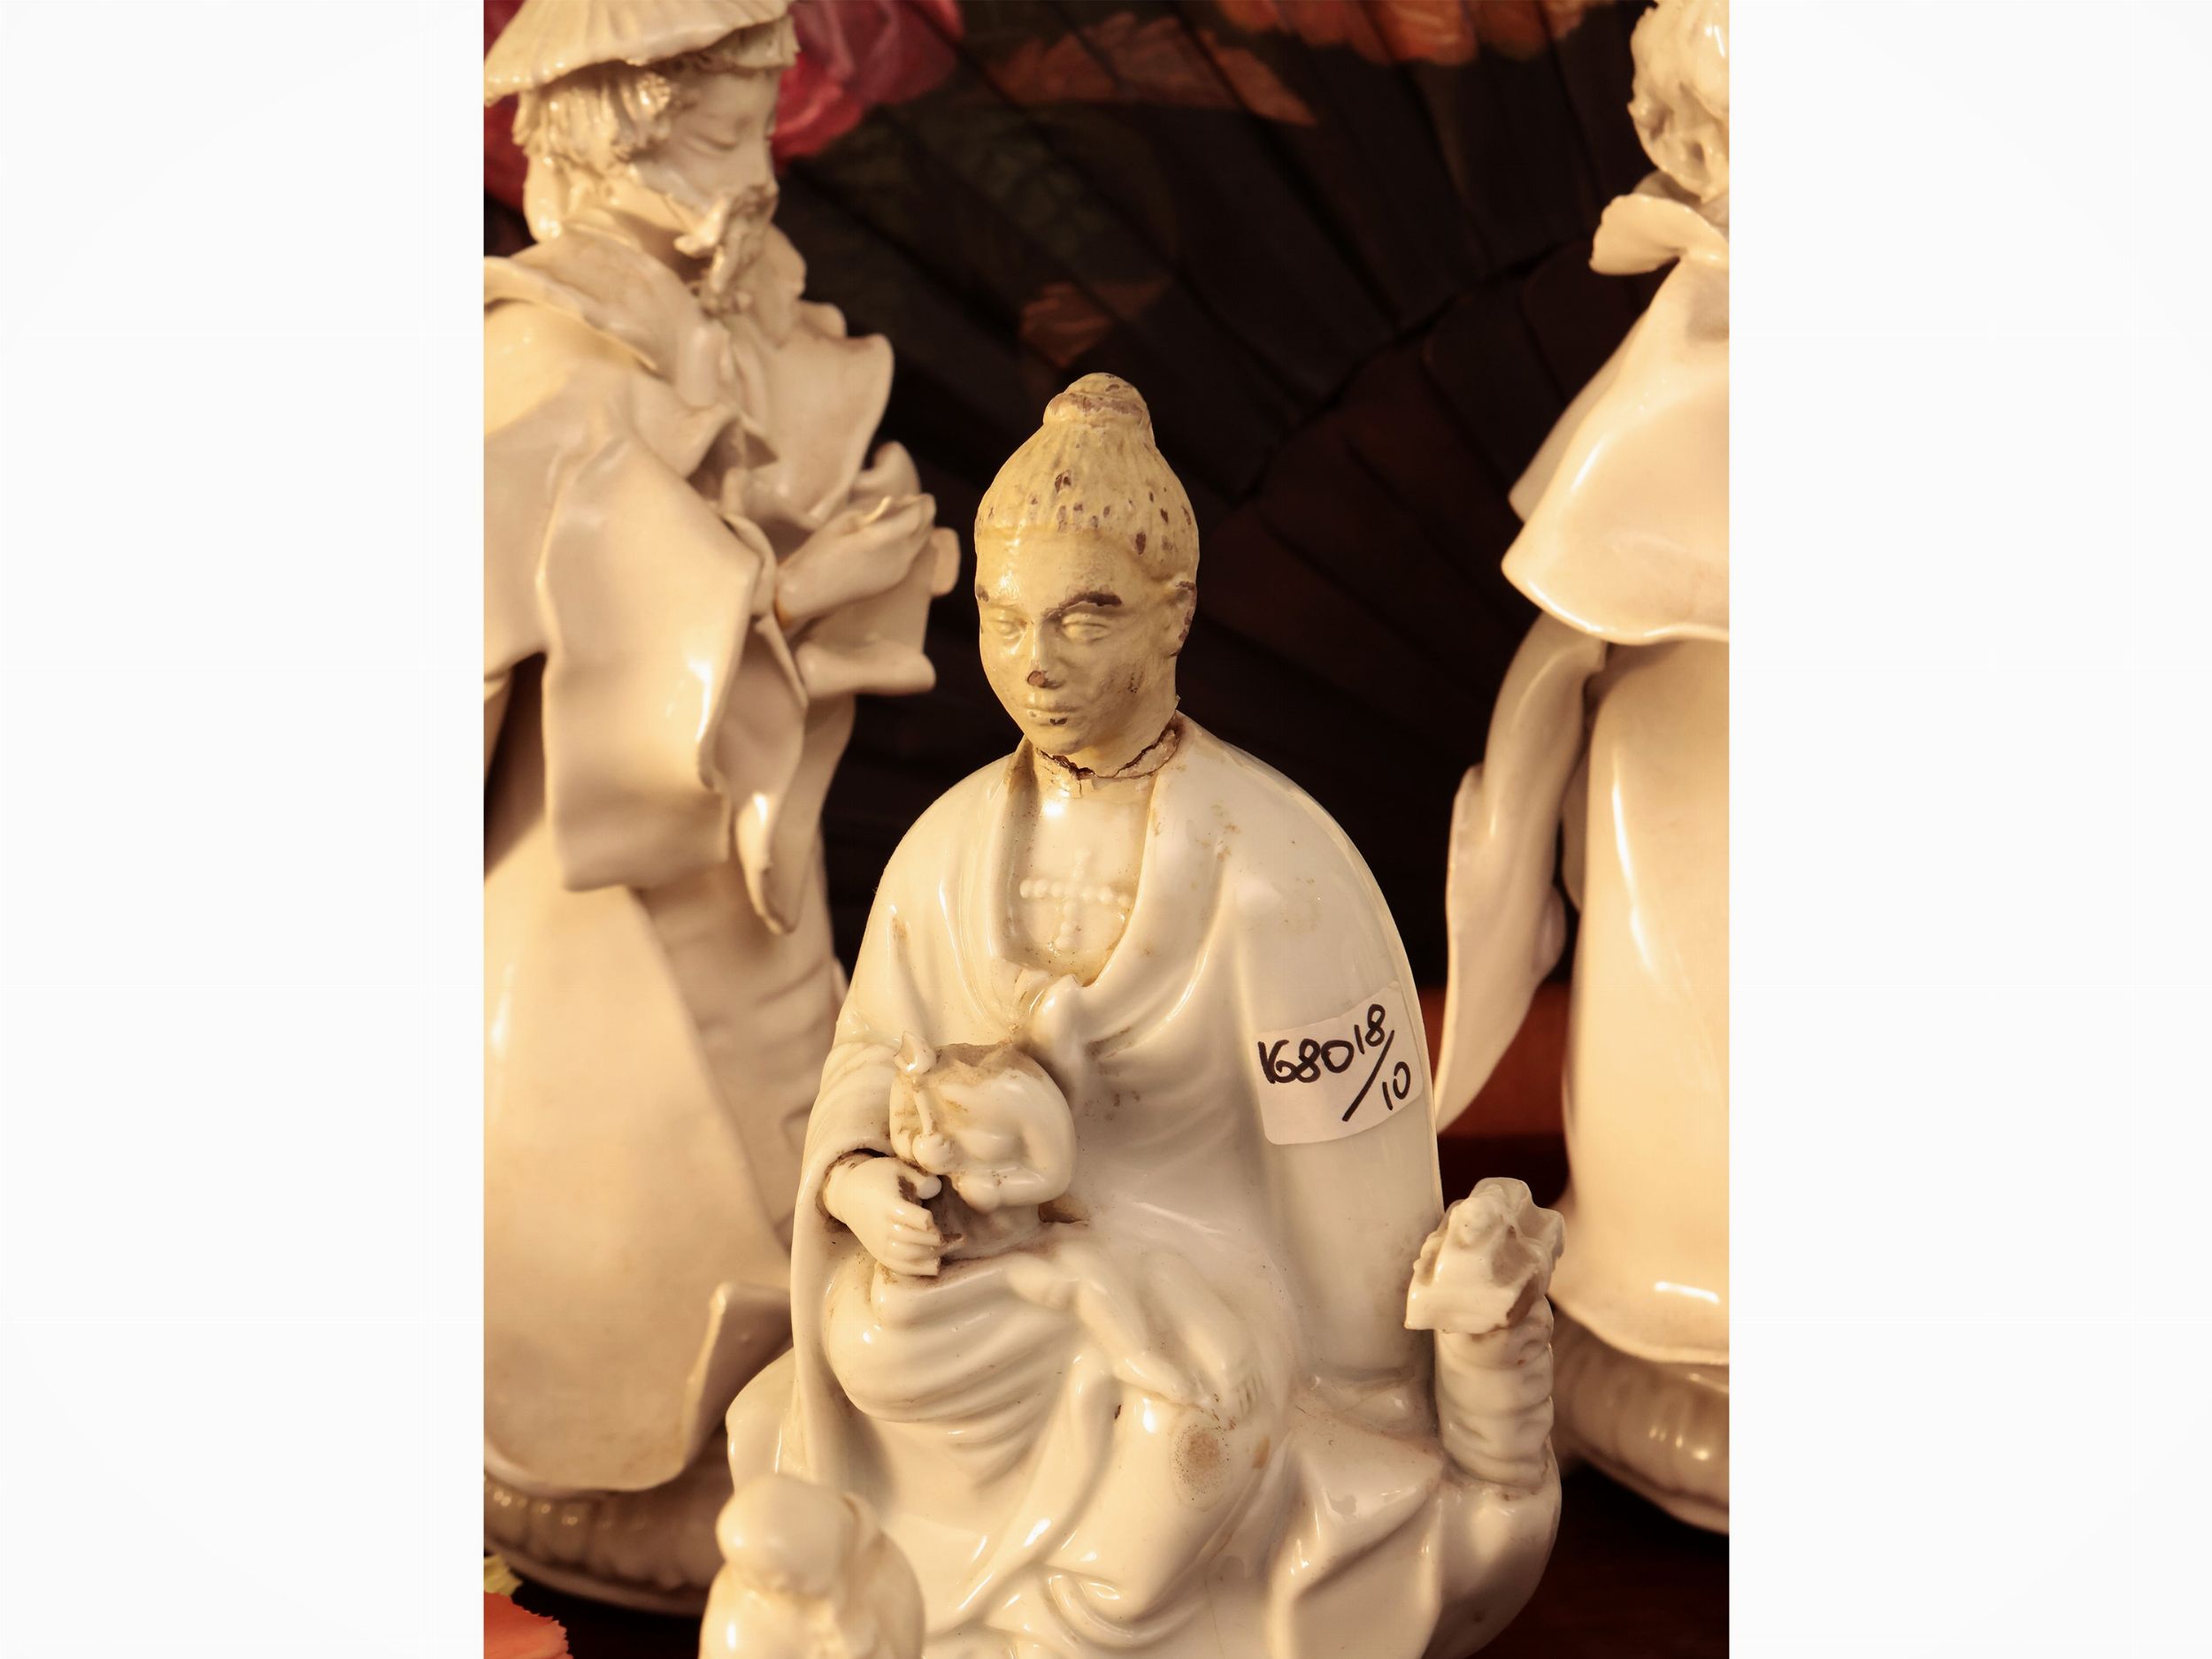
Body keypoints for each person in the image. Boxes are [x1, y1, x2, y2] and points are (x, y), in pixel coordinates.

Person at [727, 375, 1560, 1658]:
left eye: (1086, 616)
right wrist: (856, 1183)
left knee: (1201, 1409)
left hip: (1198, 1286)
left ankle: (1085, 1616)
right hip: (977, 1282)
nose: (1037, 661)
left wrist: (1372, 1393)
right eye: (1005, 619)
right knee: (860, 1346)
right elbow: (872, 1054)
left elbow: (1348, 1175)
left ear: (1175, 613)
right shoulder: (945, 851)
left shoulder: (1273, 869)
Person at [481, 0, 956, 1603]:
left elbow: (737, 547)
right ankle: (595, 1464)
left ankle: (783, 1433)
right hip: (601, 876)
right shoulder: (543, 350)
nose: (761, 163)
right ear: (631, 122)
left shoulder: (743, 324)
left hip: (757, 845)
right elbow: (583, 618)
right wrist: (797, 587)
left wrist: (846, 558)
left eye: (764, 117)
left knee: (794, 1124)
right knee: (627, 1155)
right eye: (733, 121)